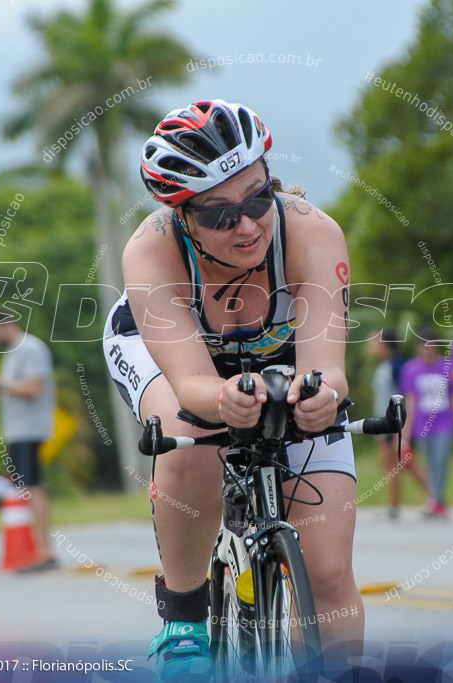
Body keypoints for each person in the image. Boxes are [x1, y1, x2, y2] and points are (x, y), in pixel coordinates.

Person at [102, 100, 358, 680]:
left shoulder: (312, 231)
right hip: (172, 353)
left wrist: (321, 399)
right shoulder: (151, 249)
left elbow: (330, 371)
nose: (247, 226)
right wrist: (219, 399)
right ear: (182, 217)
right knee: (191, 437)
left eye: (258, 199)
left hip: (281, 353)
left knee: (330, 577)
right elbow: (192, 383)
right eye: (219, 216)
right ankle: (185, 619)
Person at [0, 310, 57, 571]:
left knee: (33, 487)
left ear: (4, 325)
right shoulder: (13, 352)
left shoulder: (30, 347)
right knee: (25, 487)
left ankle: (45, 553)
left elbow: (34, 388)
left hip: (29, 430)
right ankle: (36, 550)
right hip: (18, 430)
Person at [400, 330, 453, 518]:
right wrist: (406, 430)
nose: (427, 351)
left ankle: (435, 499)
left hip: (445, 422)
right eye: (423, 347)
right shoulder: (411, 369)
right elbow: (411, 401)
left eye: (431, 346)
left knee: (441, 460)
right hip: (422, 423)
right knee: (429, 462)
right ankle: (435, 500)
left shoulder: (446, 367)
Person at [368, 332, 429, 519]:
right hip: (383, 423)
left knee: (400, 463)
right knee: (395, 464)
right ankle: (396, 504)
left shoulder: (397, 365)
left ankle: (431, 499)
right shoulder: (384, 365)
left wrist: (399, 427)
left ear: (385, 344)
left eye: (374, 341)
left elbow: (405, 396)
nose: (371, 345)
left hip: (393, 423)